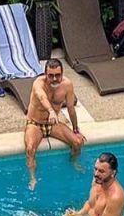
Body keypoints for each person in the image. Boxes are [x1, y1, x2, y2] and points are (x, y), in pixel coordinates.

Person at [24, 59, 86, 190]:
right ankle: (32, 177)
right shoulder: (38, 84)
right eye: (51, 75)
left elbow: (71, 108)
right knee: (30, 149)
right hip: (35, 124)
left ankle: (73, 163)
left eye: (57, 75)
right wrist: (51, 111)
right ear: (45, 74)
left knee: (77, 142)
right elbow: (42, 98)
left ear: (62, 73)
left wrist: (76, 130)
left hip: (53, 124)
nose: (54, 79)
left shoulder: (67, 85)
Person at [63, 152, 124, 216]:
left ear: (113, 173)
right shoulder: (98, 180)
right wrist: (77, 214)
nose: (96, 174)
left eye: (101, 171)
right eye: (95, 169)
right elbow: (90, 203)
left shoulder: (115, 197)